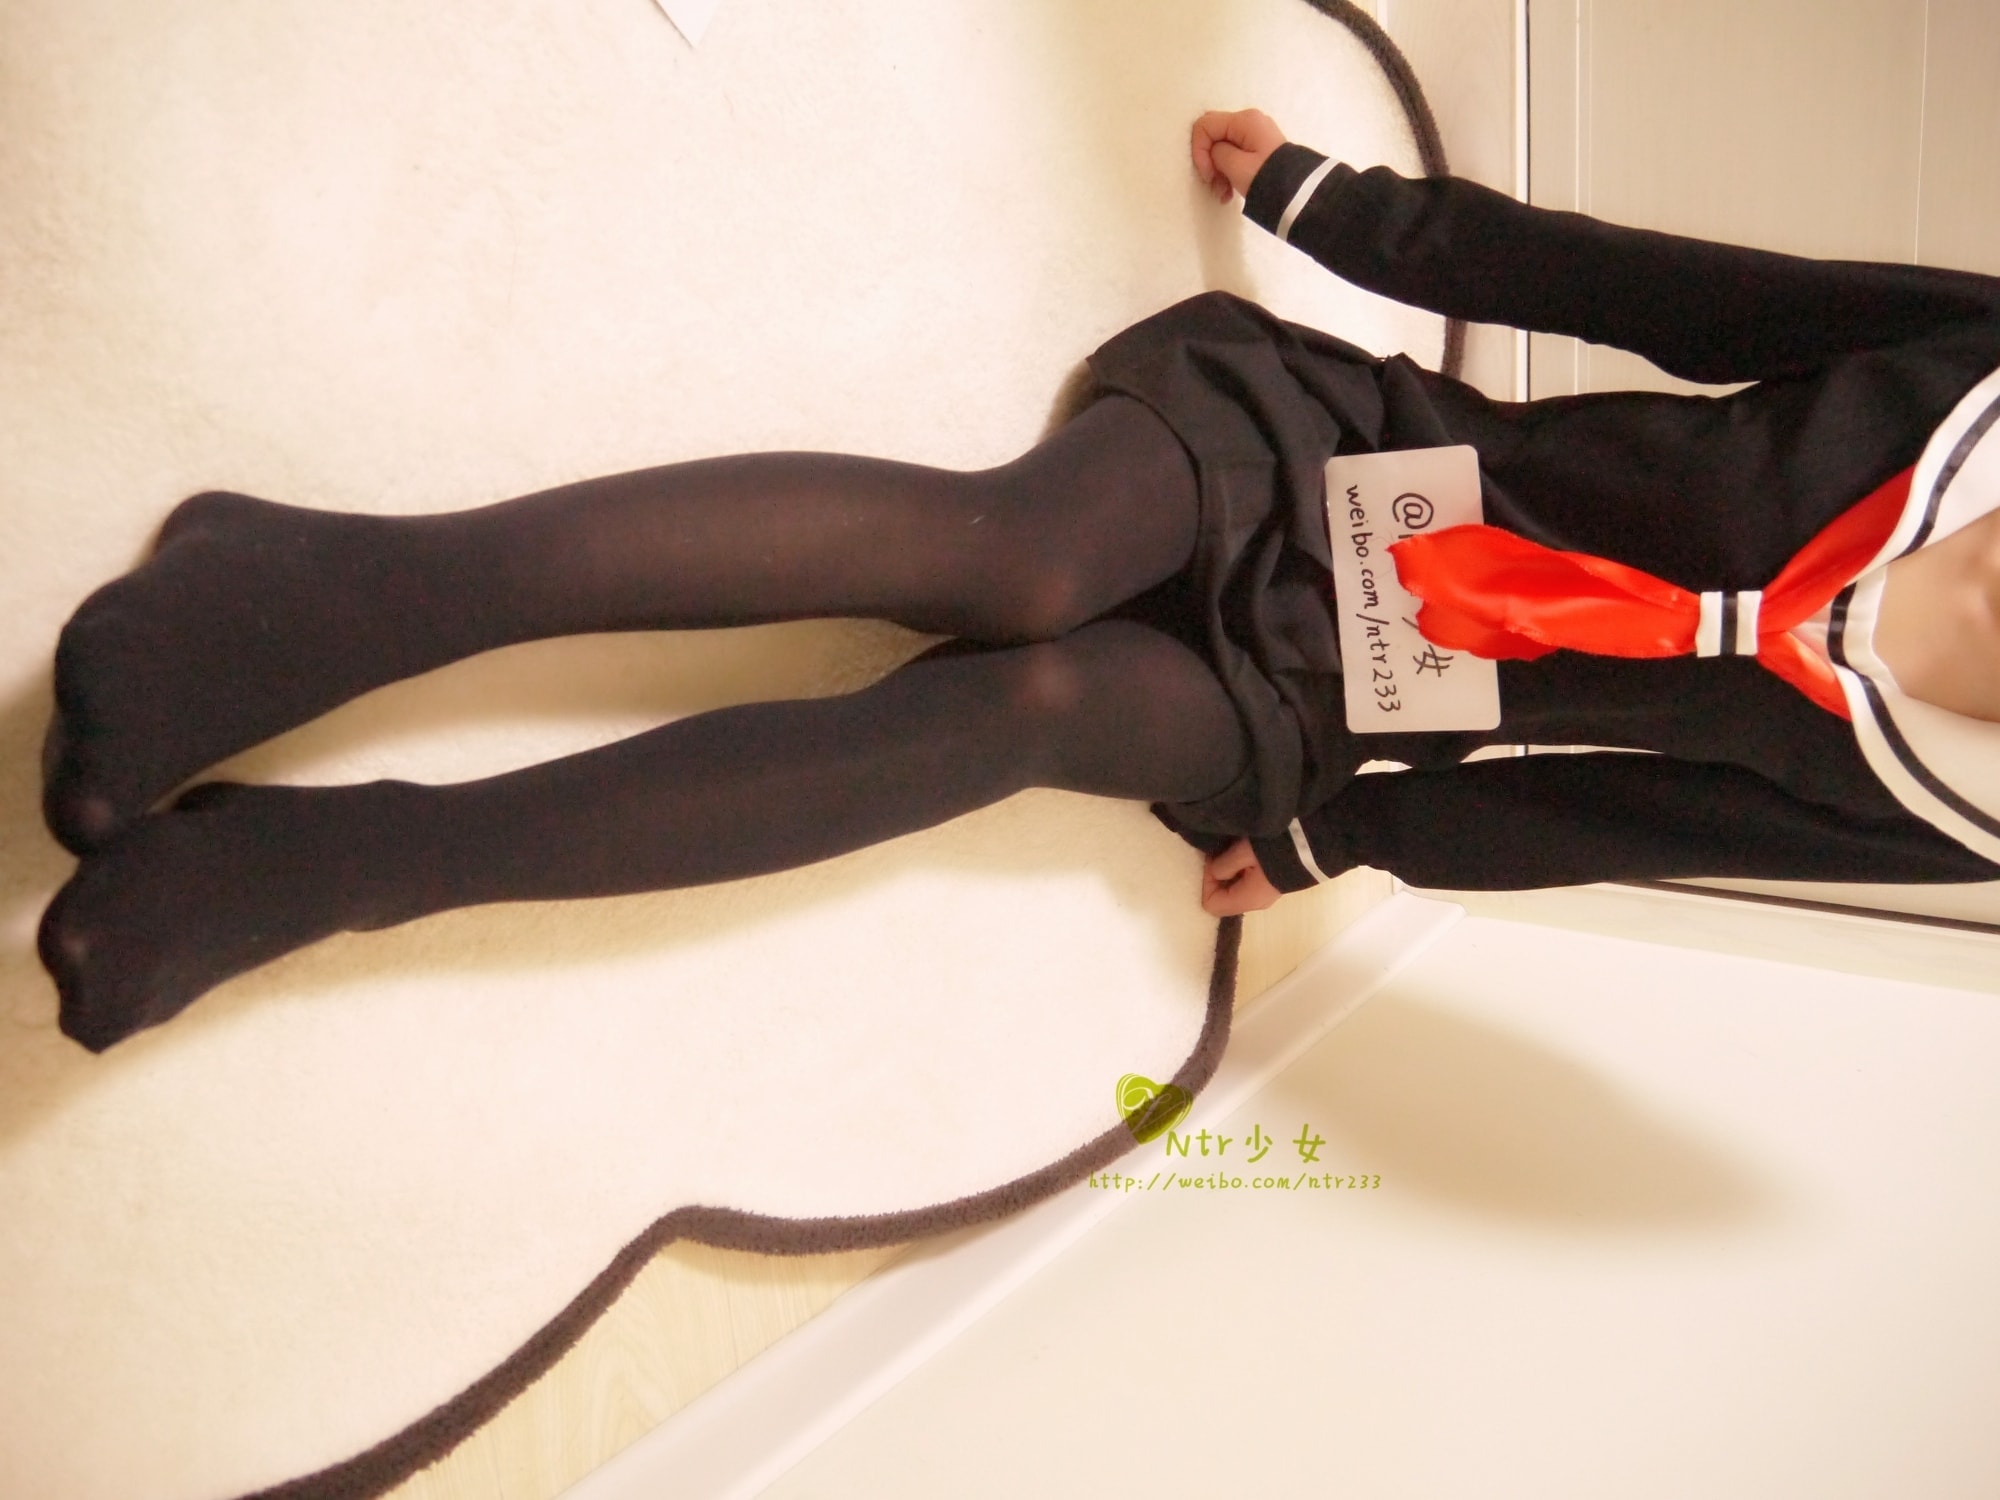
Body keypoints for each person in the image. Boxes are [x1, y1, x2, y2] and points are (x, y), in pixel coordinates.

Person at [37, 109, 2000, 1054]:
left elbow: (1617, 817)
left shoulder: (1968, 822)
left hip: (1343, 701)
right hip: (1345, 462)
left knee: (1029, 713)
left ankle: (342, 865)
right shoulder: (1978, 371)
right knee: (1021, 558)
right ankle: (320, 590)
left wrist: (1337, 843)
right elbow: (1650, 292)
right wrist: (1334, 206)